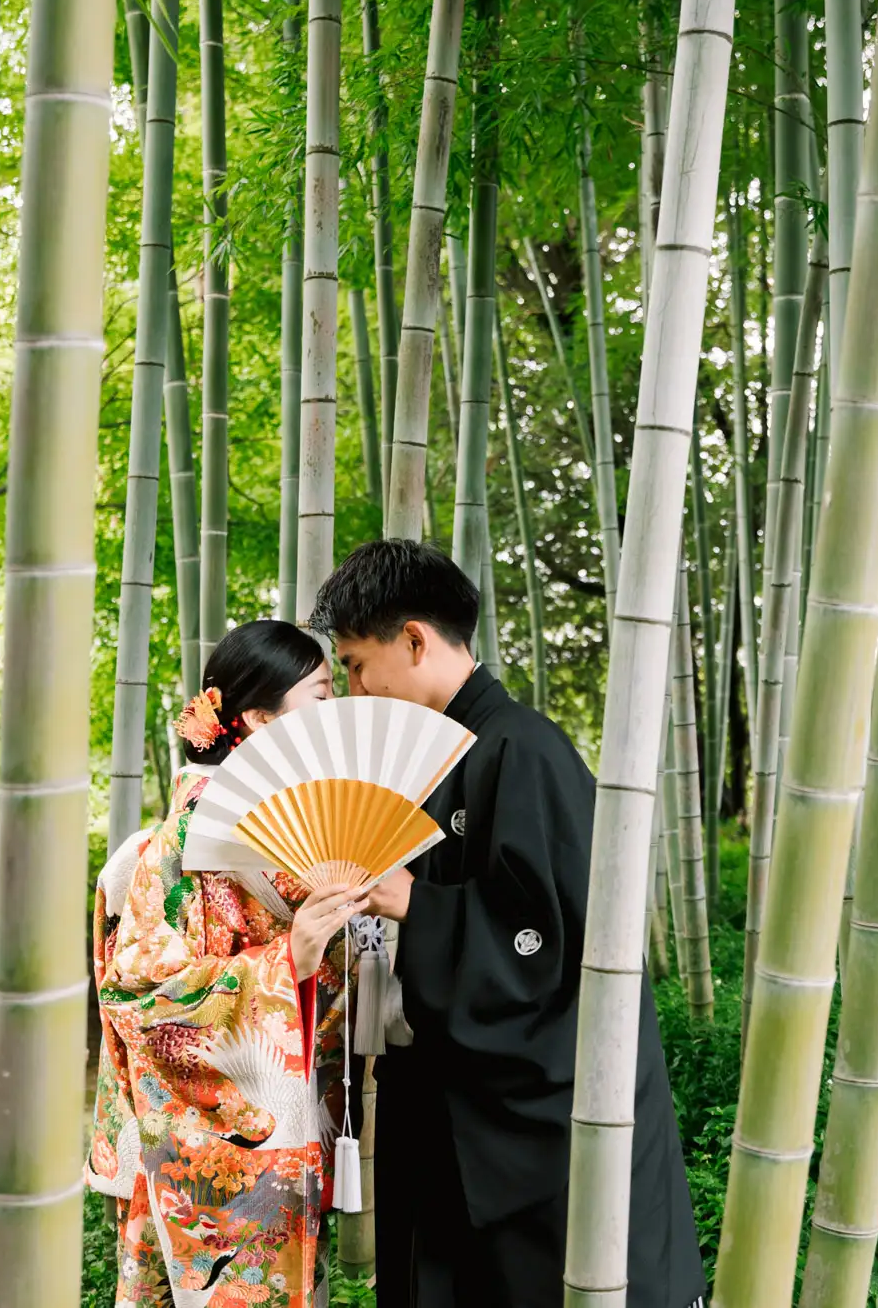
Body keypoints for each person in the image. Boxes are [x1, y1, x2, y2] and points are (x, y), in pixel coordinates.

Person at [309, 539, 705, 1308]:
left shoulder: (523, 750)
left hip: (534, 1129)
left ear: (415, 639)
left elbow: (553, 948)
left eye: (357, 663)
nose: (353, 687)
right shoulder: (437, 758)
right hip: (449, 1108)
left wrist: (414, 904)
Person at [87, 618, 376, 1308]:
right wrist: (287, 958)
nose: (333, 711)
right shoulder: (190, 832)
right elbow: (142, 994)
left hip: (287, 1119)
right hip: (219, 1144)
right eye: (320, 695)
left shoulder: (292, 817)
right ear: (256, 717)